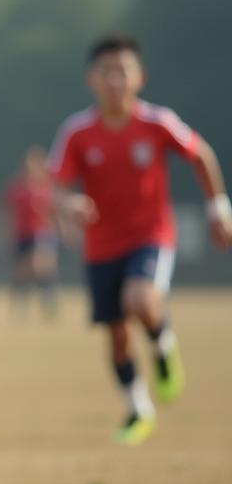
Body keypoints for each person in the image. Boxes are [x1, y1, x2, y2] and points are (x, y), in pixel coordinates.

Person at [49, 33, 232, 445]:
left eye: (122, 71)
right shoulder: (78, 132)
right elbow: (56, 187)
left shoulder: (157, 122)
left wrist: (218, 207)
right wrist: (70, 205)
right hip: (101, 246)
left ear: (139, 77)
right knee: (115, 334)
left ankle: (163, 345)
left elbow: (201, 154)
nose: (114, 80)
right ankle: (138, 409)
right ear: (90, 80)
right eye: (105, 72)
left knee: (140, 300)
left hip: (150, 236)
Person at [1, 146, 59, 319]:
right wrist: (6, 234)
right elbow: (8, 213)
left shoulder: (48, 187)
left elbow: (54, 210)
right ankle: (20, 304)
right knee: (22, 272)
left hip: (42, 233)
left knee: (41, 264)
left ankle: (49, 301)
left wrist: (61, 229)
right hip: (22, 235)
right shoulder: (16, 188)